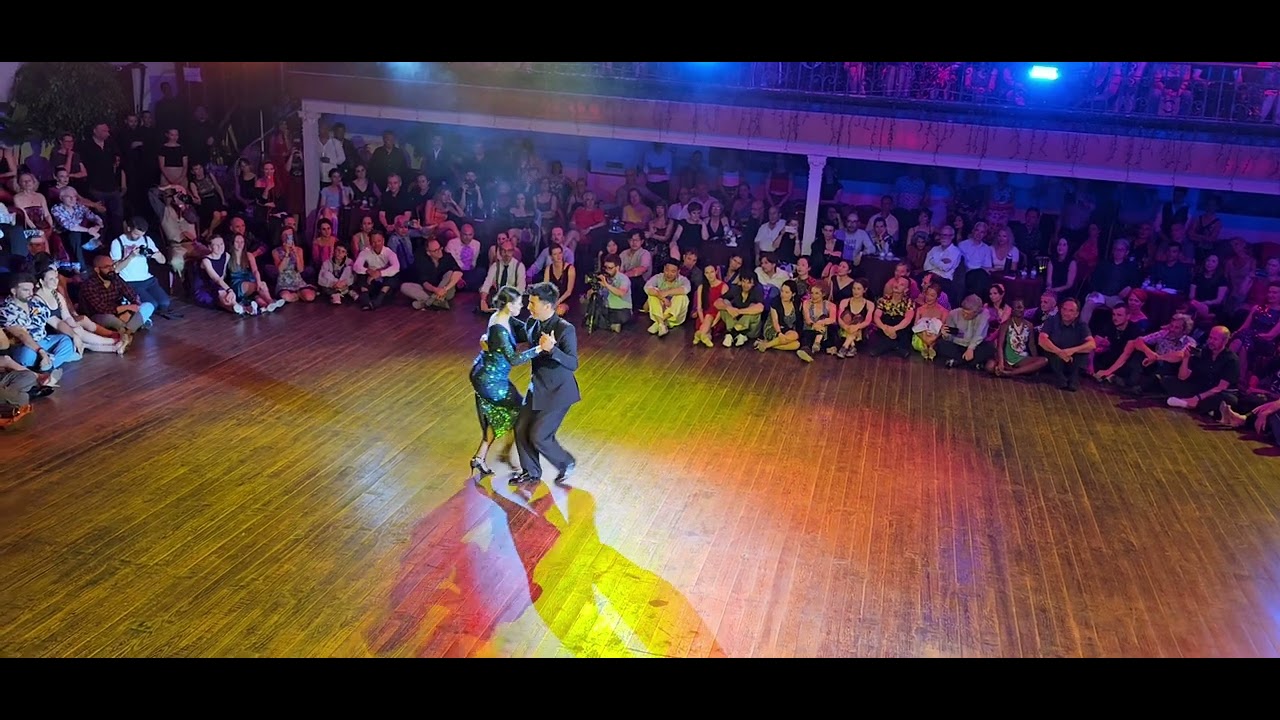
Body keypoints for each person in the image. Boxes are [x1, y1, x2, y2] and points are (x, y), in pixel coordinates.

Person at [510, 282, 581, 486]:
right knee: (521, 427)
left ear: (547, 306)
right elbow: (520, 334)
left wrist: (552, 349)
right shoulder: (532, 323)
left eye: (533, 303)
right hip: (537, 387)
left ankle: (566, 462)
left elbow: (573, 363)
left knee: (539, 435)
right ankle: (531, 472)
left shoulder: (565, 329)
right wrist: (500, 322)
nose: (528, 307)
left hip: (558, 393)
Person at [469, 286, 540, 476]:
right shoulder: (499, 327)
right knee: (521, 413)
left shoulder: (501, 316)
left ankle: (480, 458)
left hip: (486, 374)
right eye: (519, 303)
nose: (522, 306)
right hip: (491, 381)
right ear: (509, 305)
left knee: (498, 415)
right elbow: (514, 359)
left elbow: (523, 330)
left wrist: (540, 324)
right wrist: (540, 349)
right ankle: (507, 455)